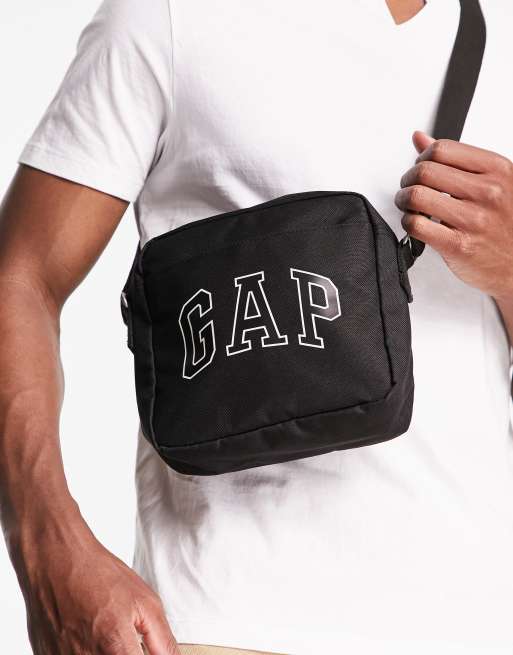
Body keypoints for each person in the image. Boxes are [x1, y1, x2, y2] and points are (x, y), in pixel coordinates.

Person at [1, 0, 513, 653]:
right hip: (229, 618)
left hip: (477, 619)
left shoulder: (497, 38)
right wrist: (45, 545)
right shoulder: (169, 16)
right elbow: (20, 280)